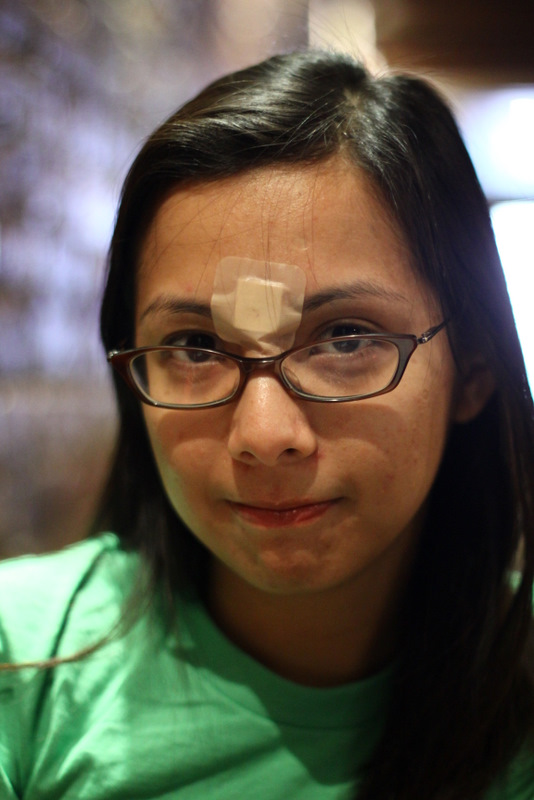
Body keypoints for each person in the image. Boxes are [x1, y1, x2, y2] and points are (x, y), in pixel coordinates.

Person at [1, 49, 533, 800]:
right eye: (195, 346)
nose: (263, 434)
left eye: (345, 338)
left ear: (473, 369)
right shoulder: (24, 661)